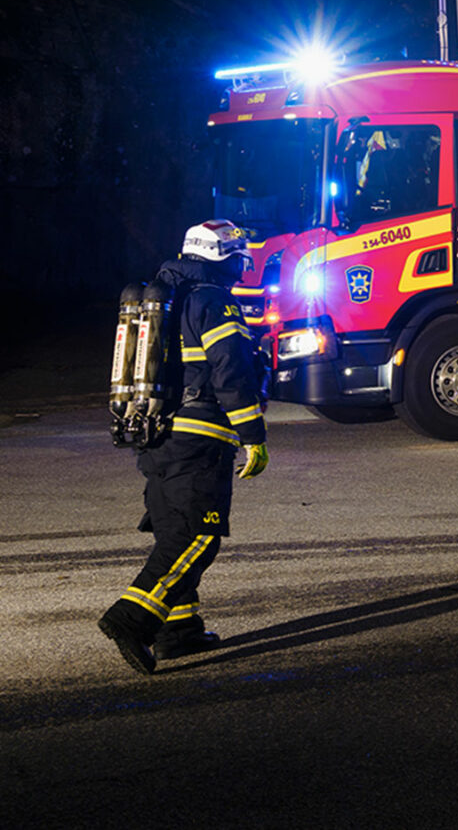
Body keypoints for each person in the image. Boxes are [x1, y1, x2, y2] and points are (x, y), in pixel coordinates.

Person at [98, 220, 271, 675]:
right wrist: (253, 436)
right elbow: (231, 373)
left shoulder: (164, 300)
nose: (241, 265)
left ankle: (180, 630)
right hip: (200, 439)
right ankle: (131, 619)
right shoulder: (213, 302)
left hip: (155, 434)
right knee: (197, 536)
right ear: (223, 258)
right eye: (237, 257)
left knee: (173, 529)